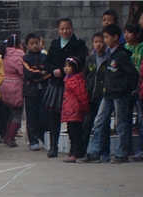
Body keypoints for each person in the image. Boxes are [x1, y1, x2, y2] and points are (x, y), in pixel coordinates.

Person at [78, 24, 139, 164]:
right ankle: (94, 152)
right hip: (108, 94)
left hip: (119, 95)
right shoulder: (110, 54)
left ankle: (122, 153)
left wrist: (125, 89)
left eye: (106, 37)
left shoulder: (121, 55)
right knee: (98, 122)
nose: (104, 41)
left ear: (116, 38)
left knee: (121, 124)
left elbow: (133, 74)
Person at [43, 17, 88, 158]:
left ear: (72, 28)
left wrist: (63, 71)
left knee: (72, 119)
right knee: (54, 118)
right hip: (56, 85)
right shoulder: (55, 43)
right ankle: (53, 146)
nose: (65, 31)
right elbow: (47, 61)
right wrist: (53, 70)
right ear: (58, 30)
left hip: (72, 85)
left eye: (67, 28)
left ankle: (73, 148)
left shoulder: (79, 44)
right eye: (62, 29)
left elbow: (80, 62)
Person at [83, 33, 110, 161]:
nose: (98, 44)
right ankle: (83, 151)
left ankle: (105, 152)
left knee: (104, 125)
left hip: (103, 97)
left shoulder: (109, 59)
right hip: (90, 97)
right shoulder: (91, 59)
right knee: (87, 124)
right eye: (96, 42)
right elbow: (85, 76)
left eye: (101, 41)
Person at [22, 33, 51, 151]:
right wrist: (40, 74)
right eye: (32, 44)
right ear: (27, 45)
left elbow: (49, 71)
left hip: (43, 90)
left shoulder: (45, 57)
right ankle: (33, 140)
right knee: (31, 117)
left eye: (36, 43)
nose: (35, 46)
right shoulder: (25, 58)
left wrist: (39, 75)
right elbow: (29, 73)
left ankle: (44, 138)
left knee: (44, 115)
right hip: (30, 91)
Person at [61, 57, 89, 162]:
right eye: (65, 66)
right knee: (71, 132)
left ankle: (77, 153)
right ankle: (73, 151)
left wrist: (86, 108)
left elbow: (83, 96)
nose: (66, 68)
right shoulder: (68, 79)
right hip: (70, 111)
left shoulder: (75, 81)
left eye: (69, 66)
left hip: (75, 111)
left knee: (76, 133)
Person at [0, 34, 25, 148]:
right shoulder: (20, 54)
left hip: (4, 85)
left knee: (11, 112)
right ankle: (10, 137)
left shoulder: (3, 53)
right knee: (18, 113)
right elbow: (22, 71)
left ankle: (6, 135)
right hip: (16, 86)